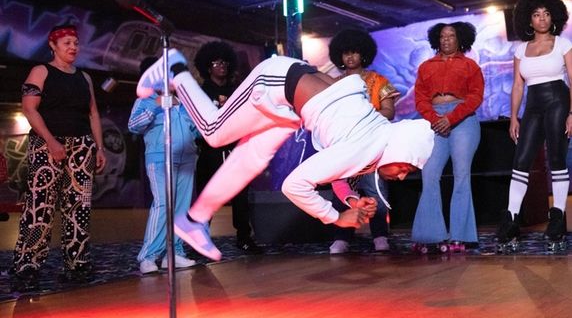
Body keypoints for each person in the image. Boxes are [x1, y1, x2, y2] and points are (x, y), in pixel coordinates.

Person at [135, 51, 434, 261]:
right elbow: (295, 185)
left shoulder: (379, 141)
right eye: (406, 167)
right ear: (400, 151)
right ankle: (175, 71)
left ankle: (195, 219)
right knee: (214, 133)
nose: (403, 176)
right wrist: (337, 217)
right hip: (276, 81)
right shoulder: (364, 146)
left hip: (293, 102)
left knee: (253, 156)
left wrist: (352, 202)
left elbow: (339, 172)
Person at [11, 24, 106, 291]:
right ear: (53, 45)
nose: (73, 47)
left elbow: (93, 114)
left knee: (79, 208)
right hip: (47, 144)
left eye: (76, 42)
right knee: (40, 207)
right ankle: (26, 266)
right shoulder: (41, 71)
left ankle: (77, 264)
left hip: (82, 146)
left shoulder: (84, 77)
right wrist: (51, 141)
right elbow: (30, 109)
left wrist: (98, 147)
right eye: (67, 43)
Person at [496, 0, 572, 253]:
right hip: (532, 104)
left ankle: (557, 219)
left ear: (553, 16)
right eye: (536, 14)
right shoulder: (521, 50)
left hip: (558, 99)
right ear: (528, 20)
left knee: (556, 159)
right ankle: (511, 220)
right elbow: (518, 86)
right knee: (521, 160)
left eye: (546, 14)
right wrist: (513, 118)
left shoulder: (564, 44)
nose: (542, 19)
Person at [411, 21, 485, 250]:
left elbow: (475, 97)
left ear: (460, 38)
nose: (446, 40)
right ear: (437, 39)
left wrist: (450, 118)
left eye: (451, 36)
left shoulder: (470, 65)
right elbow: (420, 98)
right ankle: (430, 235)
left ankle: (459, 236)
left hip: (462, 119)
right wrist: (435, 118)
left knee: (461, 175)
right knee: (430, 174)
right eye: (442, 36)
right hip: (434, 120)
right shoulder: (426, 66)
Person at [327, 29, 400, 254]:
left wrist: (367, 116)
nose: (349, 58)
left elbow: (389, 111)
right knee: (343, 191)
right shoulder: (333, 84)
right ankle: (342, 237)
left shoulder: (378, 81)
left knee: (374, 190)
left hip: (372, 144)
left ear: (364, 54)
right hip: (343, 145)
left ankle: (379, 236)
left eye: (354, 52)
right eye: (345, 53)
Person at [128, 57, 200, 274]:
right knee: (162, 205)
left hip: (186, 159)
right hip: (160, 158)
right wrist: (157, 106)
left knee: (181, 208)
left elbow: (196, 129)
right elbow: (133, 125)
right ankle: (148, 256)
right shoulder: (146, 99)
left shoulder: (183, 102)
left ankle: (174, 254)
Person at [192, 42, 259, 253]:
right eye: (216, 62)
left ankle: (244, 238)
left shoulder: (236, 90)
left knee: (241, 197)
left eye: (224, 62)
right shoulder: (201, 92)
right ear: (207, 67)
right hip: (210, 151)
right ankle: (200, 239)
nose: (221, 66)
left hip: (235, 150)